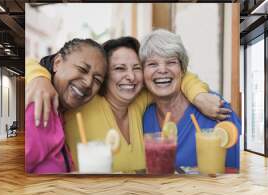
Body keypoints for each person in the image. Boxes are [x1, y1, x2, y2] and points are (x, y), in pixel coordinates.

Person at [26, 36, 229, 173]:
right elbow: (37, 64)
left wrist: (200, 96)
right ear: (106, 76)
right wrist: (38, 76)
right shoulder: (82, 100)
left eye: (136, 68)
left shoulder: (139, 100)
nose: (130, 77)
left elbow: (178, 77)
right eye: (120, 68)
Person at [141, 29, 241, 172]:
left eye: (171, 62)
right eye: (152, 64)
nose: (162, 69)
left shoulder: (217, 111)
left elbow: (237, 173)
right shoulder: (142, 116)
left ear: (182, 70)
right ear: (143, 73)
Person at [25, 38, 107, 174]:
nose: (88, 82)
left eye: (97, 80)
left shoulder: (58, 111)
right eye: (82, 69)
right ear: (57, 63)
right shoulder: (39, 107)